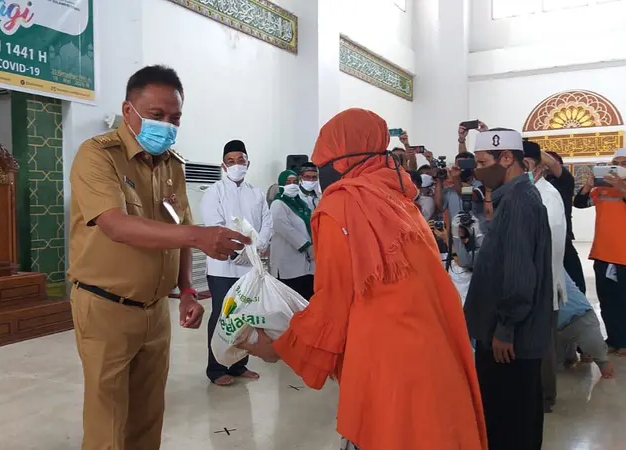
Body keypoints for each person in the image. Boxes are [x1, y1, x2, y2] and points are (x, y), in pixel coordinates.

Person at [241, 108, 488, 450]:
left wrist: (278, 349)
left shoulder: (342, 204)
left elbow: (333, 303)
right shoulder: (400, 199)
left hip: (389, 363)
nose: (320, 170)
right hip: (434, 352)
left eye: (323, 159)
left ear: (343, 158)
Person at [68, 65, 250, 450]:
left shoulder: (173, 165)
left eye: (175, 118)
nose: (166, 125)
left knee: (148, 418)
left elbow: (178, 228)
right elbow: (116, 225)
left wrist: (186, 289)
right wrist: (198, 235)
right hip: (105, 307)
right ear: (128, 110)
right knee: (108, 424)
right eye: (156, 116)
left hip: (155, 312)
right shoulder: (98, 156)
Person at [465, 128, 553, 450]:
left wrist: (504, 328)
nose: (477, 170)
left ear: (507, 158)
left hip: (509, 340)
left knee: (507, 422)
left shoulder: (518, 203)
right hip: (508, 333)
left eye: (483, 161)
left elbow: (518, 277)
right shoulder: (514, 198)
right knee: (517, 416)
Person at [201, 139, 273, 386]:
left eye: (240, 160)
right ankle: (217, 368)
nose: (235, 165)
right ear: (223, 165)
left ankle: (239, 364)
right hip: (223, 266)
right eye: (230, 161)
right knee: (223, 315)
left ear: (248, 163)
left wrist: (257, 247)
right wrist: (239, 251)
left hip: (250, 266)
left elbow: (267, 224)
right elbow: (216, 225)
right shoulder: (214, 192)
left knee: (245, 316)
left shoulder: (257, 193)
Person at [524, 140, 567, 412]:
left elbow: (546, 238)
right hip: (533, 278)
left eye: (526, 166)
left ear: (539, 168)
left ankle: (544, 397)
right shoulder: (530, 193)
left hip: (542, 279)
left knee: (542, 342)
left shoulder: (547, 195)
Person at [573, 147, 626, 356]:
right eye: (615, 162)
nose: (619, 167)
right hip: (602, 254)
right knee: (607, 301)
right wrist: (588, 185)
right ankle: (614, 339)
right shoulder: (601, 189)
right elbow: (579, 203)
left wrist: (622, 188)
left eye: (624, 162)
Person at [542, 150, 586, 293]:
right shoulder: (535, 183)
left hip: (563, 239)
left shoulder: (564, 181)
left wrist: (528, 147)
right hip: (541, 240)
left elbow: (552, 163)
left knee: (575, 285)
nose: (546, 166)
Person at [557, 271, 615, 379]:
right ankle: (571, 355)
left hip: (580, 317)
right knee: (558, 367)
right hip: (555, 328)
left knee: (604, 364)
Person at [270, 170, 314, 300]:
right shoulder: (278, 204)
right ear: (281, 184)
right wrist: (306, 245)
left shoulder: (303, 205)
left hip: (305, 264)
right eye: (288, 182)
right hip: (287, 264)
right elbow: (282, 227)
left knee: (306, 301)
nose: (292, 185)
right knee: (291, 303)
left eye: (295, 182)